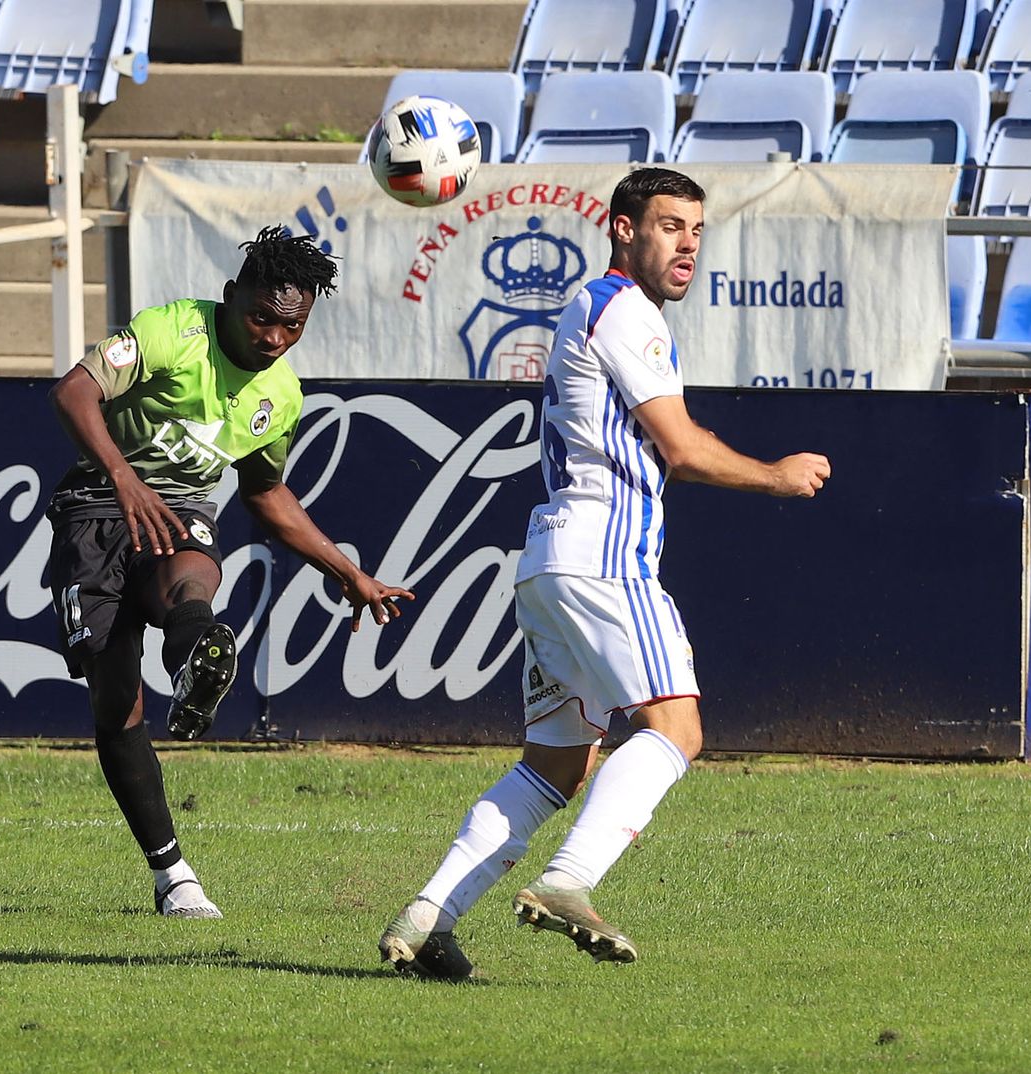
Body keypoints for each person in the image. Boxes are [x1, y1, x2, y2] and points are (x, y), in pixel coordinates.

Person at [379, 168, 832, 979]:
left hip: (551, 565)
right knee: (677, 727)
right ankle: (569, 880)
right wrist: (776, 475)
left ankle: (426, 915)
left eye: (697, 228)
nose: (689, 243)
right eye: (669, 226)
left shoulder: (594, 307)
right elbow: (684, 451)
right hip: (603, 561)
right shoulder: (625, 309)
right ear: (624, 229)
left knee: (555, 763)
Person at [46, 226, 413, 918]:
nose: (275, 337)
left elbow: (265, 493)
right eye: (262, 318)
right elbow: (72, 393)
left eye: (292, 326)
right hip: (94, 506)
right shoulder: (171, 331)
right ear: (229, 298)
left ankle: (199, 663)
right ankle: (171, 874)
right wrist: (124, 479)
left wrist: (344, 569)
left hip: (179, 510)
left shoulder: (282, 395)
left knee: (190, 580)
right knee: (116, 703)